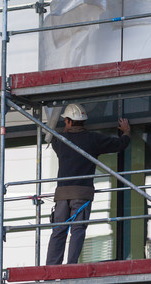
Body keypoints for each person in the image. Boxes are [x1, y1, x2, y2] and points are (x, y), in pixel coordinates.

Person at [46, 103, 131, 265]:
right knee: (77, 230)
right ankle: (71, 266)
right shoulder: (94, 139)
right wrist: (126, 132)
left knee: (58, 231)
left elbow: (56, 141)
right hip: (82, 193)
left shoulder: (60, 142)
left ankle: (52, 267)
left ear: (69, 121)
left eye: (66, 121)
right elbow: (120, 145)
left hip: (62, 194)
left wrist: (65, 132)